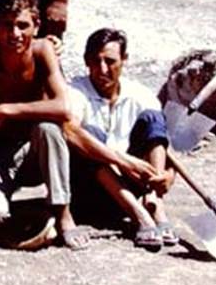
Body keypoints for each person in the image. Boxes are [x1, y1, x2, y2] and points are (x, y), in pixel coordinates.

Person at [0, 0, 89, 250]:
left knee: (49, 128)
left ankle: (63, 214)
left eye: (23, 25)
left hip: (37, 153)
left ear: (36, 26)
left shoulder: (42, 51)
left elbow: (64, 108)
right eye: (7, 26)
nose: (15, 34)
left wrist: (7, 109)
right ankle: (15, 211)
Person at [63, 28, 178, 250]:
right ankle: (139, 216)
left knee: (153, 118)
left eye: (110, 61)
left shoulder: (140, 94)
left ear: (124, 60)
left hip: (135, 185)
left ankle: (155, 205)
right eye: (96, 61)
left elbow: (163, 144)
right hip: (92, 191)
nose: (102, 69)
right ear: (87, 61)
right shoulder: (76, 91)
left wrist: (167, 176)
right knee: (87, 135)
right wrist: (124, 161)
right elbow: (70, 131)